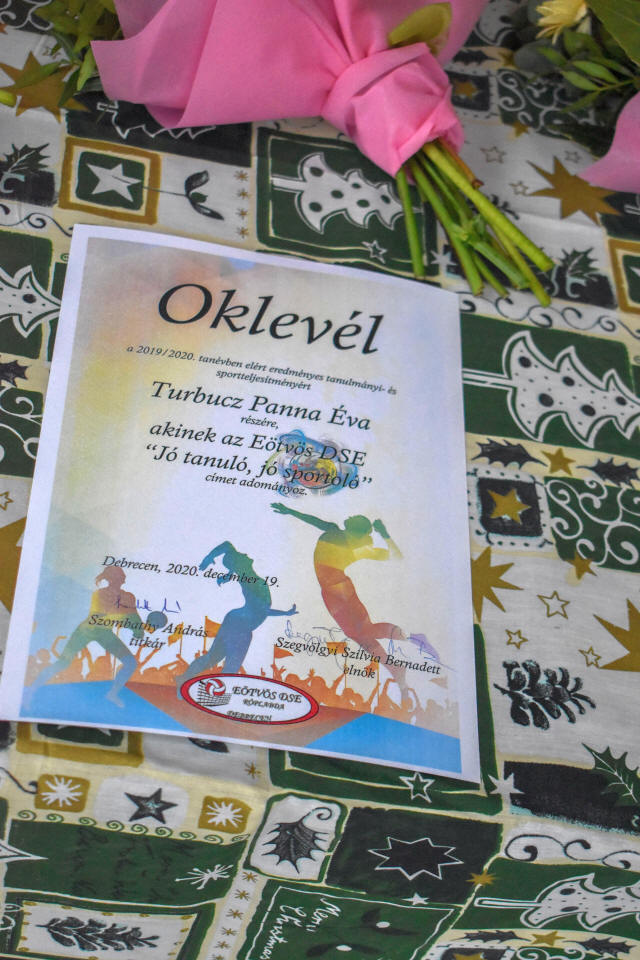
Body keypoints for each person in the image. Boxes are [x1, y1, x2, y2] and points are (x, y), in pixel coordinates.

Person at [271, 505, 406, 682]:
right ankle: (395, 666)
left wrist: (384, 533)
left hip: (338, 589)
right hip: (331, 592)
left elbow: (396, 556)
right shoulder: (340, 536)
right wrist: (290, 511)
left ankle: (409, 640)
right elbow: (314, 521)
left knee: (363, 631)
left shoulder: (348, 542)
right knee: (358, 633)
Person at [177, 540, 297, 685]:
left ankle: (184, 679)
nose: (245, 554)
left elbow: (262, 610)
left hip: (237, 621)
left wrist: (219, 565)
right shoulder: (251, 580)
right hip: (240, 625)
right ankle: (211, 689)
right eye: (241, 555)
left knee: (213, 658)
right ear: (238, 564)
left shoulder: (249, 577)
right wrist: (210, 558)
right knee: (228, 665)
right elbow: (263, 610)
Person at [26, 566, 147, 706]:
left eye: (122, 575)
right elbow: (100, 617)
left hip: (104, 633)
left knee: (130, 662)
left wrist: (139, 630)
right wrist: (129, 621)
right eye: (119, 575)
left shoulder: (128, 597)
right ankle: (31, 690)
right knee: (63, 663)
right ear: (112, 579)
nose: (122, 577)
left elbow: (134, 617)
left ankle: (112, 694)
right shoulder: (99, 594)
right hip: (86, 631)